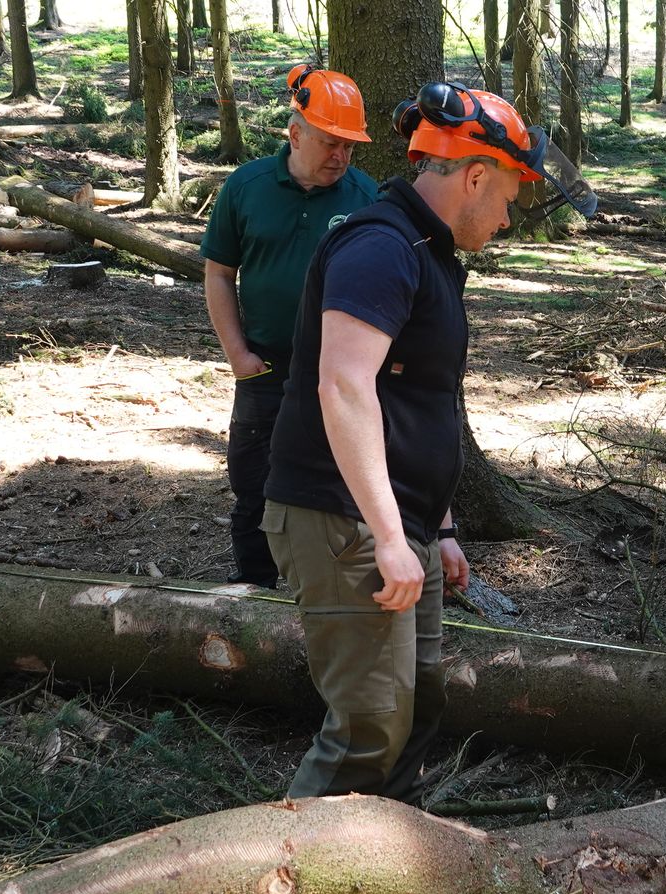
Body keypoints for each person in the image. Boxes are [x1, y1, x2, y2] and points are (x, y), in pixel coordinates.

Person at [261, 83, 596, 801]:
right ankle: (294, 878)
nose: (508, 217)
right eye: (508, 195)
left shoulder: (428, 251)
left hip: (397, 522)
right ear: (474, 175)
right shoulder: (381, 247)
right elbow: (343, 388)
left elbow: (412, 399)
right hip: (341, 519)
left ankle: (393, 866)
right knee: (367, 729)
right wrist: (387, 535)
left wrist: (435, 527)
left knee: (416, 707)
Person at [201, 64, 380, 588]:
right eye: (330, 143)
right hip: (264, 371)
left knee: (338, 492)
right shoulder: (247, 186)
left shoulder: (365, 198)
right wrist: (238, 357)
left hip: (338, 378)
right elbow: (218, 273)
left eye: (350, 146)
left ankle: (327, 595)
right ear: (296, 133)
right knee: (253, 489)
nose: (341, 157)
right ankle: (256, 600)